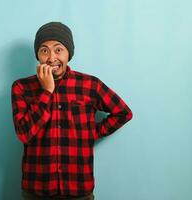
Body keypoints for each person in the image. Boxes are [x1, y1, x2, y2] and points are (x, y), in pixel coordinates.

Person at [11, 22, 133, 200]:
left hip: (79, 189)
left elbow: (124, 113)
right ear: (38, 55)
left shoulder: (90, 85)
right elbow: (23, 134)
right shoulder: (21, 87)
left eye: (58, 50)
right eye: (44, 50)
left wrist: (92, 132)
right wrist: (47, 92)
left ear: (69, 53)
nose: (51, 58)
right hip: (37, 190)